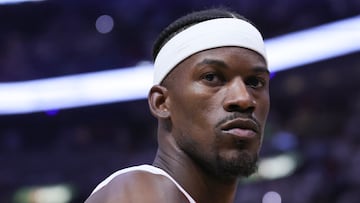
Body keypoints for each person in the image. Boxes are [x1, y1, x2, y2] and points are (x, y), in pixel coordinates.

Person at [85, 7, 270, 203]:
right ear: (162, 102)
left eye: (254, 82)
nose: (243, 99)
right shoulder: (137, 190)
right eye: (211, 77)